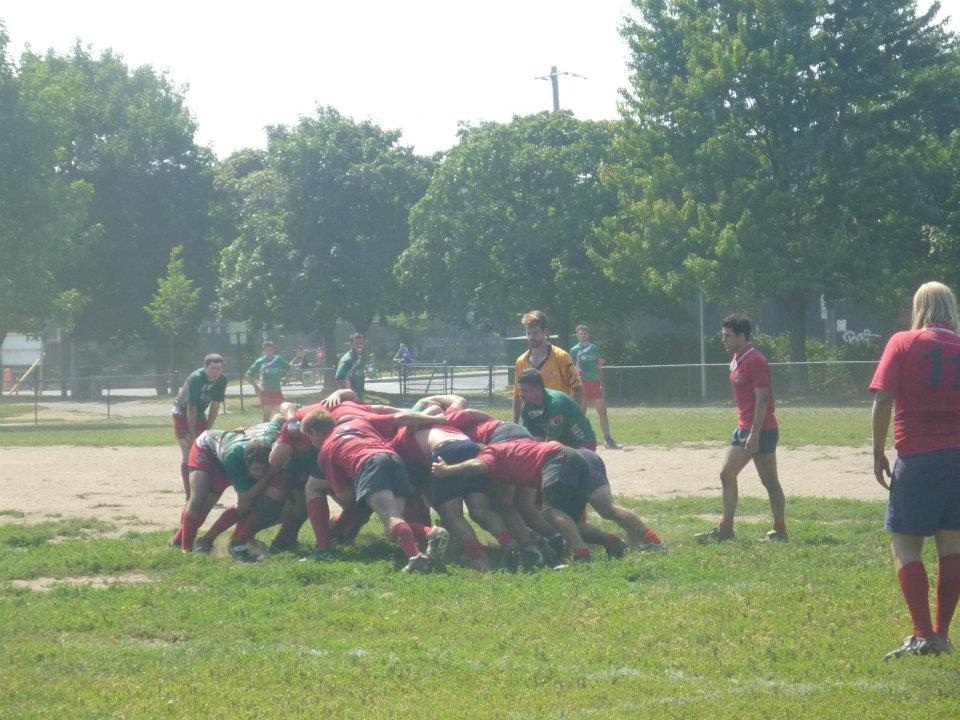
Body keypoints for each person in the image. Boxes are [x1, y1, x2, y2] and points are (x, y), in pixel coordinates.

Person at [871, 281, 960, 659]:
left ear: (919, 308)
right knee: (952, 547)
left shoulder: (902, 342)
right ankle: (942, 635)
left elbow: (883, 400)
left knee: (905, 545)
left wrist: (878, 451)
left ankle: (922, 633)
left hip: (918, 458)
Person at [432, 438, 666, 561]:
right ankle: (622, 542)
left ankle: (581, 554)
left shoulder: (489, 452)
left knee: (551, 512)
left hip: (557, 458)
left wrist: (448, 470)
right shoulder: (508, 453)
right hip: (571, 456)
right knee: (578, 520)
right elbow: (506, 502)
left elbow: (478, 466)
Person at [300, 408, 450, 573]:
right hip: (394, 460)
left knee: (390, 518)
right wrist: (437, 419)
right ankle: (431, 533)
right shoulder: (358, 421)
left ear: (314, 432)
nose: (311, 442)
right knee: (392, 528)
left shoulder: (326, 450)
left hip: (369, 465)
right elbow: (401, 417)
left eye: (309, 437)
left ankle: (416, 560)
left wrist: (343, 521)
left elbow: (345, 496)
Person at [694, 314, 787, 544]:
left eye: (727, 336)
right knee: (726, 474)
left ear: (742, 336)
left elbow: (763, 399)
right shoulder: (737, 358)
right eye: (723, 335)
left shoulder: (755, 360)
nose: (723, 340)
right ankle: (725, 530)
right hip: (743, 427)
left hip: (761, 429)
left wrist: (754, 433)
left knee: (769, 481)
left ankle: (780, 530)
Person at [171, 354, 227, 500]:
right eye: (212, 368)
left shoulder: (222, 380)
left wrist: (207, 429)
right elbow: (191, 407)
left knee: (205, 450)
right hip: (182, 412)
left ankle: (204, 492)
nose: (216, 372)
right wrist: (192, 432)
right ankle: (190, 496)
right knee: (189, 452)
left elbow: (215, 406)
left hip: (199, 413)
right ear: (205, 367)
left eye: (219, 368)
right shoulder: (197, 378)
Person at [512, 311, 583, 423]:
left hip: (558, 423)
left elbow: (578, 390)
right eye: (528, 333)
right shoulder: (521, 361)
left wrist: (569, 418)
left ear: (545, 332)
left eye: (535, 332)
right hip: (533, 424)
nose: (531, 337)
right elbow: (517, 395)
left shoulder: (561, 357)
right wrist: (515, 424)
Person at [517, 369, 597, 450]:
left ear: (537, 388)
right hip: (564, 444)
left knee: (548, 452)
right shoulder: (527, 407)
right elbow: (528, 439)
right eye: (519, 390)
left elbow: (550, 444)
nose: (520, 394)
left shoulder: (555, 403)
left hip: (583, 443)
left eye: (524, 390)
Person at [570, 325, 622, 449]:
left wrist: (602, 384)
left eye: (585, 333)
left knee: (602, 411)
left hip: (594, 383)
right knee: (580, 414)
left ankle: (608, 439)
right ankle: (578, 441)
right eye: (581, 333)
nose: (583, 335)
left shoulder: (594, 348)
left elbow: (598, 367)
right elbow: (571, 370)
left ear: (588, 334)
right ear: (577, 336)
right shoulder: (574, 350)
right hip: (581, 384)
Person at [246, 340, 291, 421]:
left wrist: (286, 378)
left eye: (271, 350)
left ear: (274, 351)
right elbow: (248, 375)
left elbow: (289, 368)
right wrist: (256, 387)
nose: (269, 352)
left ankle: (279, 429)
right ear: (263, 352)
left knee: (282, 415)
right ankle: (266, 429)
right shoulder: (260, 362)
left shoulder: (278, 359)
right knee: (267, 417)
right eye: (266, 350)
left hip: (277, 391)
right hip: (265, 392)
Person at [336, 333, 366, 401]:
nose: (359, 346)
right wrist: (349, 395)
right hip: (352, 400)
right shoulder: (347, 359)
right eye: (356, 344)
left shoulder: (359, 357)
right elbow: (339, 378)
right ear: (351, 344)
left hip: (360, 398)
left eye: (361, 343)